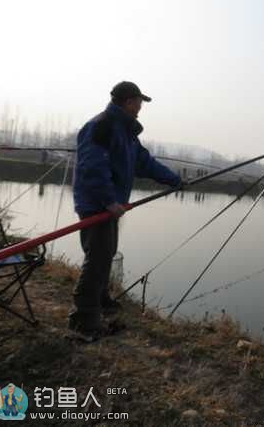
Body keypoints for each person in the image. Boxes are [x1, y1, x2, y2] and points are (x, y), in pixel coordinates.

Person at [68, 81, 182, 342]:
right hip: (96, 205)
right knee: (97, 260)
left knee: (105, 255)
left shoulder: (127, 132)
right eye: (139, 102)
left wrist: (173, 179)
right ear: (129, 101)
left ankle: (102, 301)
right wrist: (109, 201)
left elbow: (144, 163)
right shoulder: (101, 126)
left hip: (110, 207)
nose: (141, 107)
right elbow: (92, 167)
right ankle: (82, 320)